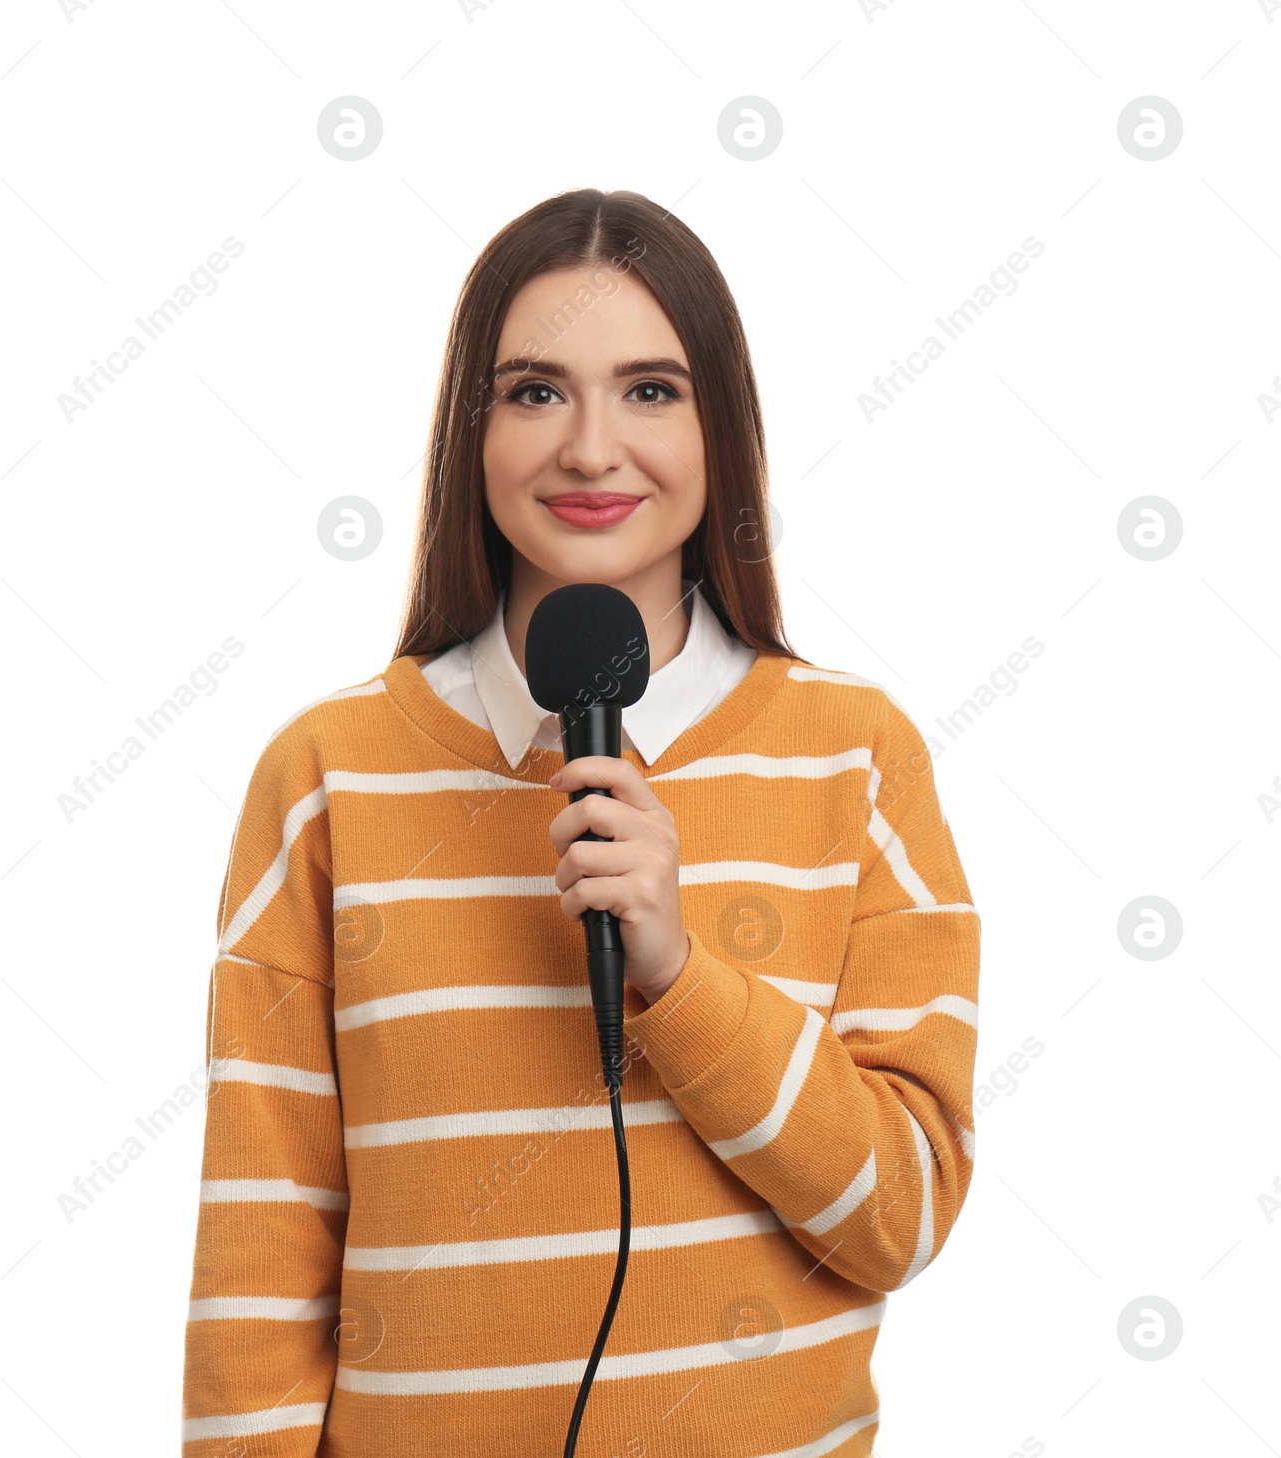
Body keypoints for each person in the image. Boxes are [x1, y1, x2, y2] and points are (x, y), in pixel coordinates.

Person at [180, 188, 980, 1457]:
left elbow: (906, 1211)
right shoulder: (327, 773)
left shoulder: (858, 757)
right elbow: (261, 1252)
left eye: (651, 391)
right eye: (536, 392)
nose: (592, 449)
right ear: (470, 433)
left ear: (723, 430)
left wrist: (679, 972)